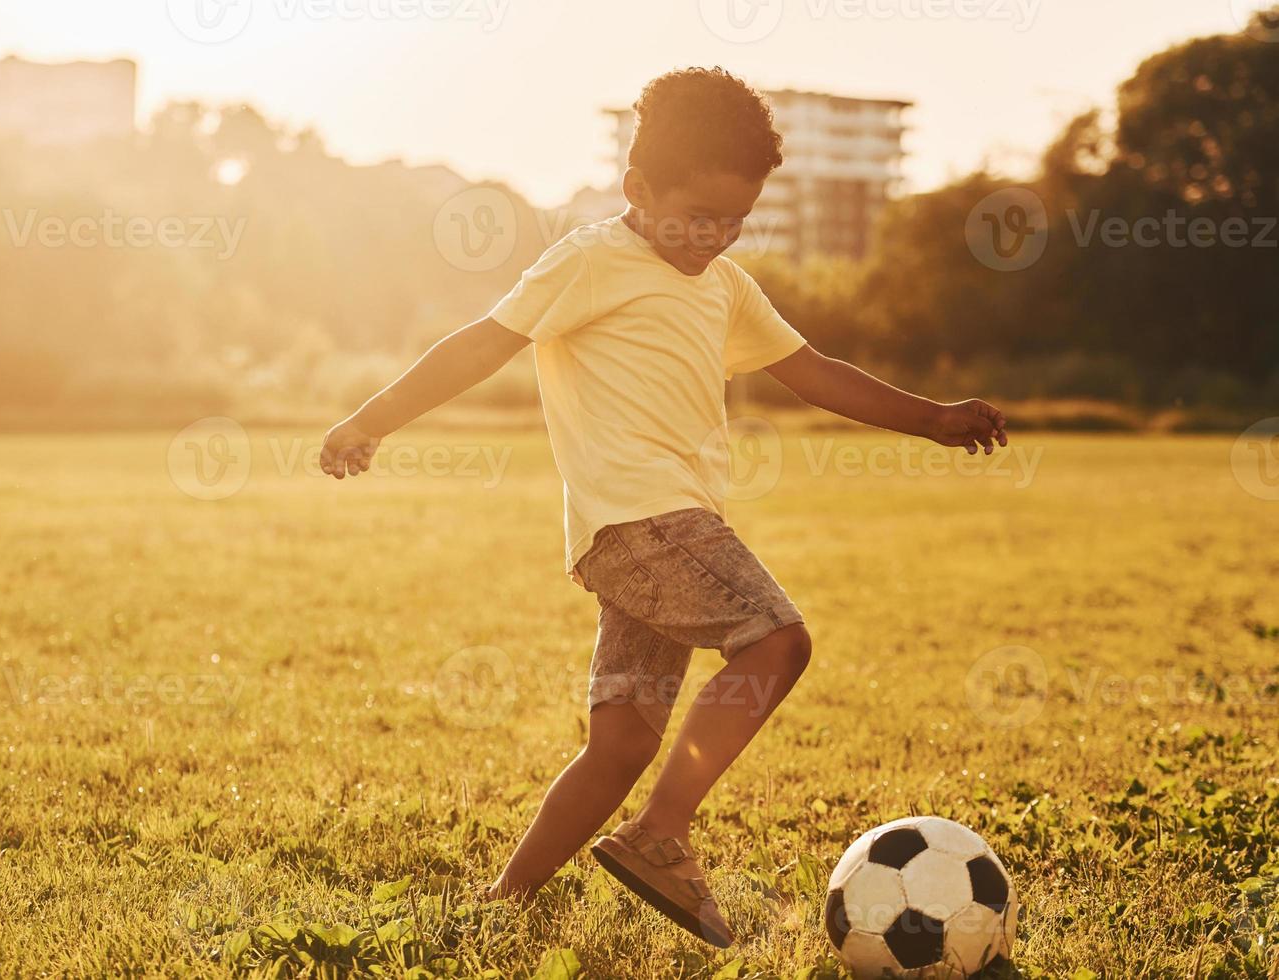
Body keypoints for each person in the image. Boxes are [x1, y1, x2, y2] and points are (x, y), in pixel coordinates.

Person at [320, 66, 1007, 946]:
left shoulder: (724, 287)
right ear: (636, 189)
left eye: (736, 219)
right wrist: (368, 421)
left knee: (621, 745)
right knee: (778, 639)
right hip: (641, 524)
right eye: (697, 215)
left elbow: (817, 375)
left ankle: (503, 906)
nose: (715, 236)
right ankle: (661, 835)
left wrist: (933, 420)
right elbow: (480, 346)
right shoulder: (588, 260)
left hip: (661, 530)